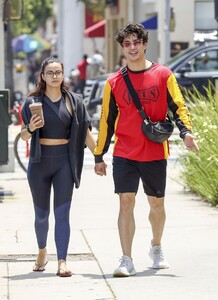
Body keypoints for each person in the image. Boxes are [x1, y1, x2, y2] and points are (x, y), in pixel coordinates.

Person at [94, 23, 199, 277]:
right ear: (122, 48)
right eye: (127, 44)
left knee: (156, 205)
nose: (132, 47)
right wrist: (99, 154)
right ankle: (126, 259)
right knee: (126, 202)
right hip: (125, 153)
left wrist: (186, 132)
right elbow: (106, 120)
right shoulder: (114, 82)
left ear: (144, 44)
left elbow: (178, 106)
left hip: (154, 151)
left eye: (136, 42)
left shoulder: (163, 75)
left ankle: (156, 245)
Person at [20, 57, 96, 277]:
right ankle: (42, 251)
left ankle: (62, 260)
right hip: (40, 162)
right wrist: (31, 128)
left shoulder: (74, 101)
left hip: (64, 161)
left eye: (58, 72)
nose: (54, 76)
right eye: (50, 72)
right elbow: (24, 135)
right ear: (42, 76)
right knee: (41, 215)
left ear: (63, 75)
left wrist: (98, 157)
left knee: (63, 213)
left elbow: (85, 134)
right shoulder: (32, 102)